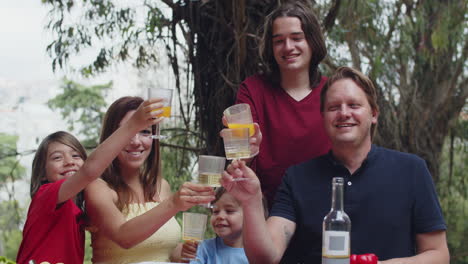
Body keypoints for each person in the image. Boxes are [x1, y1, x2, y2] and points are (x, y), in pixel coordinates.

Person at [222, 67, 450, 264]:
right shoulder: (297, 178)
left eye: (353, 105)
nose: (343, 113)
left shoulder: (411, 170)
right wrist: (251, 200)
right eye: (333, 107)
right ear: (322, 117)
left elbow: (438, 254)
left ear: (374, 114)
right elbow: (266, 257)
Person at [16, 97, 165, 264]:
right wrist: (133, 125)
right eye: (57, 158)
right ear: (42, 172)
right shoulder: (45, 196)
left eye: (76, 156)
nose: (69, 162)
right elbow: (89, 171)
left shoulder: (77, 209)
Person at [85, 96, 215, 263]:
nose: (136, 141)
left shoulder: (161, 186)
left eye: (145, 131)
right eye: (128, 130)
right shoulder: (97, 187)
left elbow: (165, 251)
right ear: (111, 137)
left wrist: (185, 251)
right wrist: (173, 204)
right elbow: (124, 237)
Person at [230, 1, 331, 206]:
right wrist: (247, 149)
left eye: (296, 38)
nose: (288, 47)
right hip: (268, 210)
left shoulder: (332, 92)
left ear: (312, 41)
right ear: (270, 46)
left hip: (325, 206)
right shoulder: (253, 89)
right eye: (278, 41)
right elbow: (240, 160)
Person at [175, 188, 268, 264]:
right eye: (215, 211)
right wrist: (185, 259)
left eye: (229, 211)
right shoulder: (204, 248)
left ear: (251, 216)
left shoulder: (259, 253)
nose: (220, 216)